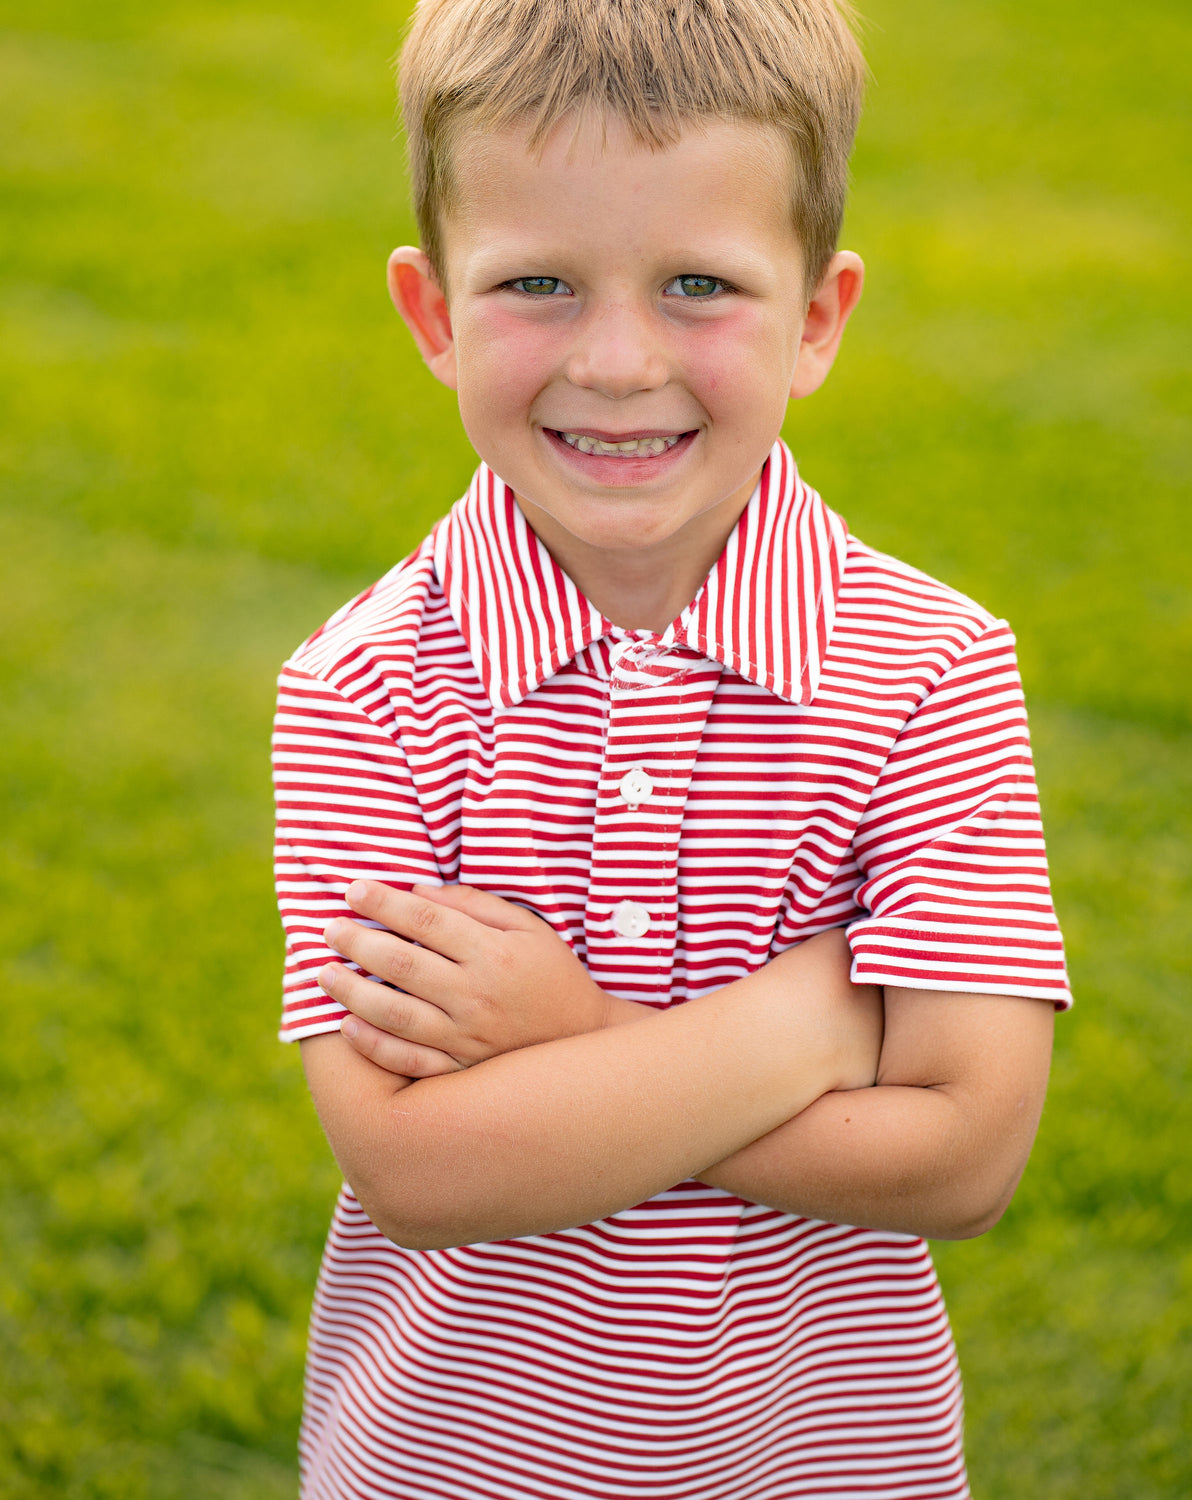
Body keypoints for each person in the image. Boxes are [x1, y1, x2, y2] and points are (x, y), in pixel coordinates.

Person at [270, 0, 1072, 1494]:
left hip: (823, 1459)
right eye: (540, 285)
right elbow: (419, 1168)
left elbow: (966, 1156)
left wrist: (576, 1045)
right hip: (451, 1458)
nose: (622, 361)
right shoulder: (366, 685)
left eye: (700, 283)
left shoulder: (930, 669)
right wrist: (808, 1025)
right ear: (433, 311)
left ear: (819, 316)